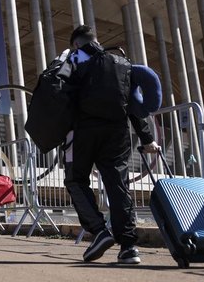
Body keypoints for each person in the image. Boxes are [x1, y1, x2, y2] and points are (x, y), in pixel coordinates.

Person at [63, 25, 159, 265]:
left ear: (76, 44)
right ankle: (129, 247)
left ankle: (99, 231)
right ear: (95, 40)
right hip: (117, 133)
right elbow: (135, 107)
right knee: (118, 186)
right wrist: (147, 139)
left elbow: (59, 96)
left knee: (76, 180)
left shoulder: (73, 61)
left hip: (82, 133)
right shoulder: (123, 64)